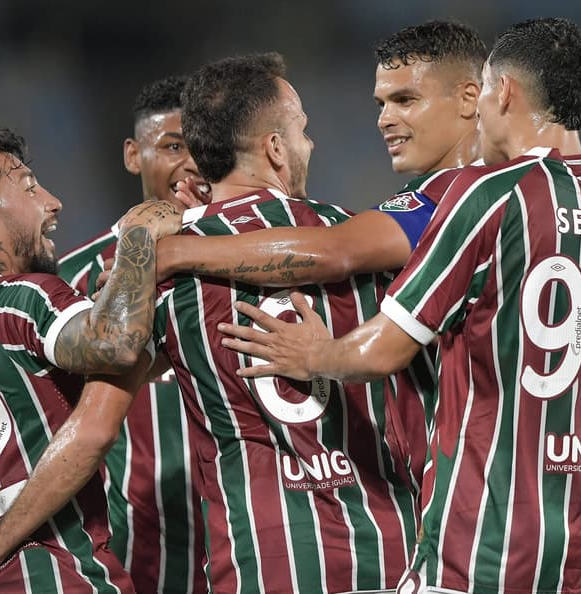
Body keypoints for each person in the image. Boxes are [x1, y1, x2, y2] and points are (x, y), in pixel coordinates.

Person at [220, 18, 581, 594]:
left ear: (502, 92)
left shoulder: (488, 195)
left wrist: (317, 353)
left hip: (485, 540)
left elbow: (381, 350)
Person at [151, 20, 485, 495]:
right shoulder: (540, 190)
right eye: (381, 104)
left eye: (404, 100)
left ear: (471, 98)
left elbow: (334, 249)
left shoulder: (452, 200)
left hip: (482, 488)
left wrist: (180, 248)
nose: (384, 119)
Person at [151, 52, 417, 594]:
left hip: (260, 557)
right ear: (274, 147)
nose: (309, 145)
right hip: (390, 547)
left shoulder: (157, 262)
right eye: (301, 130)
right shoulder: (362, 237)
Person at [0, 129, 182, 593]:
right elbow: (115, 345)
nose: (53, 202)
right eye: (29, 186)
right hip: (51, 575)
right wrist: (138, 240)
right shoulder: (17, 298)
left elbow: (121, 363)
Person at [58, 75, 208, 594]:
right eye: (171, 146)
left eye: (203, 145)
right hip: (136, 554)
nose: (192, 163)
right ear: (131, 154)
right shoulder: (70, 282)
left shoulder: (257, 256)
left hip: (256, 539)